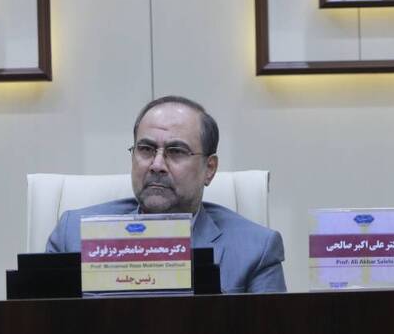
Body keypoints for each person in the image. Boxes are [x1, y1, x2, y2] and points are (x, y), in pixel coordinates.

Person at [46, 95, 286, 293]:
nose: (157, 165)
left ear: (209, 169)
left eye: (176, 151)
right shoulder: (73, 235)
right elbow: (44, 328)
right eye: (146, 149)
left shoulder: (256, 250)